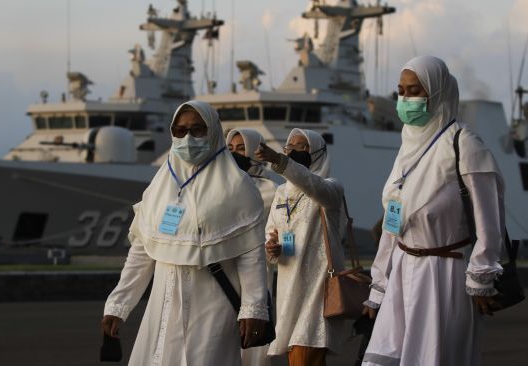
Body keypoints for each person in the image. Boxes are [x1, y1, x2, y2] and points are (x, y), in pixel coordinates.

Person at [101, 101, 270, 366]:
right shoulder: (158, 189)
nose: (187, 138)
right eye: (180, 131)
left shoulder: (239, 188)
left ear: (213, 131)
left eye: (197, 130)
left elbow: (251, 254)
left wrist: (254, 307)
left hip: (213, 302)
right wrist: (118, 306)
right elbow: (142, 254)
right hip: (163, 303)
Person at [361, 55, 505, 366]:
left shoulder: (465, 145)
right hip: (400, 272)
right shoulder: (408, 147)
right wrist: (378, 285)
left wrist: (481, 276)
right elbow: (393, 223)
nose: (405, 99)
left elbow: (489, 221)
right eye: (401, 91)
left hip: (444, 278)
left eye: (414, 91)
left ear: (437, 93)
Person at [256, 128, 346, 366]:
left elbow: (310, 183)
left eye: (301, 147)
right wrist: (272, 246)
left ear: (317, 152)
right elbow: (271, 229)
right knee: (297, 354)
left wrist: (279, 160)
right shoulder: (281, 192)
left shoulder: (331, 188)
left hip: (317, 287)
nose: (294, 151)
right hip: (288, 286)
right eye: (290, 147)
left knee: (305, 353)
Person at [227, 128, 279, 366]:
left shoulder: (270, 188)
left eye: (241, 149)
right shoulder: (220, 185)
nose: (235, 154)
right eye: (230, 149)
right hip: (225, 265)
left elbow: (278, 228)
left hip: (257, 266)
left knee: (253, 336)